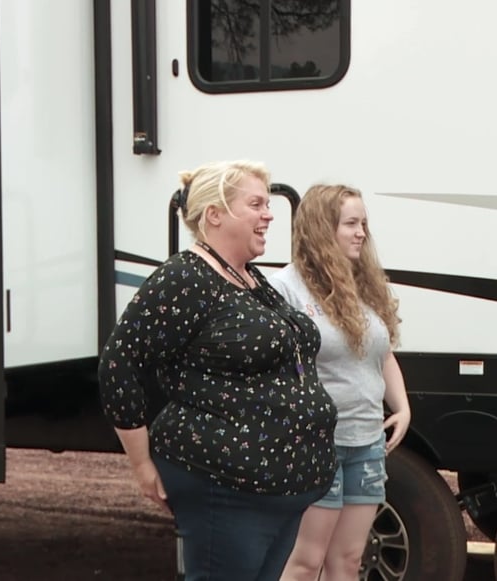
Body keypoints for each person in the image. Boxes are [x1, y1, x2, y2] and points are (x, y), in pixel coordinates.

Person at [97, 160, 337, 581]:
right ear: (215, 214)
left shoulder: (249, 278)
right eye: (256, 204)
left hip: (280, 487)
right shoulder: (184, 278)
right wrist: (141, 464)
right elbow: (119, 367)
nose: (269, 215)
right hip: (225, 485)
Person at [272, 184, 411, 581]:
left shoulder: (362, 286)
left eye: (363, 223)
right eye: (351, 223)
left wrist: (402, 407)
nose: (361, 233)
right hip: (317, 443)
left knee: (348, 561)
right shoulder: (287, 288)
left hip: (366, 443)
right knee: (305, 562)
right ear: (320, 228)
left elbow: (382, 352)